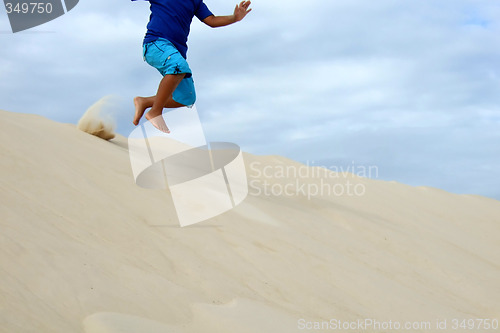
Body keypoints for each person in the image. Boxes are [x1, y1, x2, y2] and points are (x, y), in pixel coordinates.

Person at [132, 0, 252, 133]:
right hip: (155, 44)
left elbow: (211, 20)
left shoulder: (195, 1)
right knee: (178, 67)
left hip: (176, 53)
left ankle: (145, 102)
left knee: (186, 98)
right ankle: (155, 112)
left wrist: (234, 18)